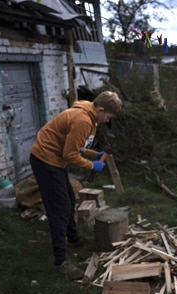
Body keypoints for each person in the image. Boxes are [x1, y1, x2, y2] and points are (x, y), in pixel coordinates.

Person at [29, 91, 122, 280]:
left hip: (54, 159)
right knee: (59, 209)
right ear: (101, 109)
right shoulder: (84, 120)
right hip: (46, 160)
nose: (106, 121)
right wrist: (92, 165)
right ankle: (60, 262)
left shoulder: (88, 113)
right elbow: (69, 155)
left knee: (70, 199)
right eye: (108, 117)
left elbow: (76, 147)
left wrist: (92, 154)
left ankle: (73, 238)